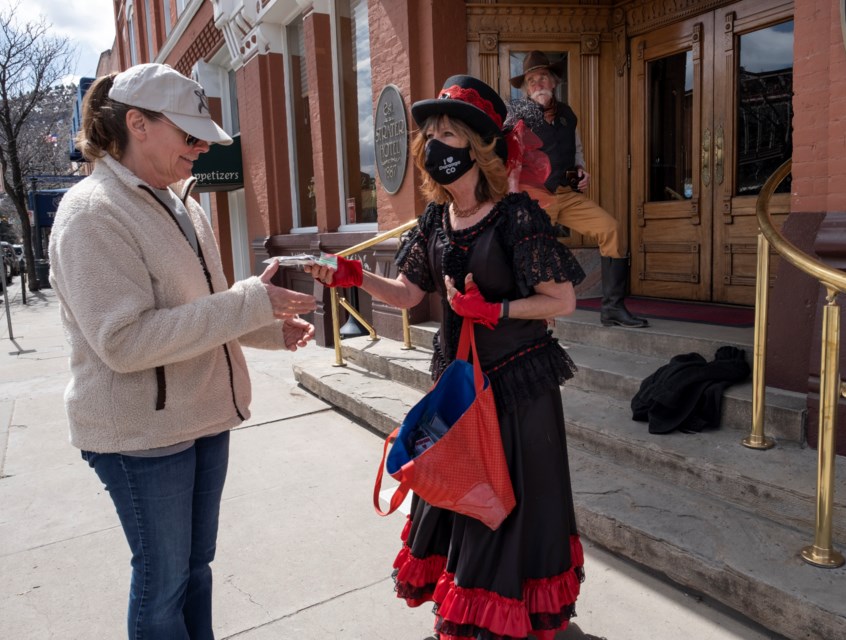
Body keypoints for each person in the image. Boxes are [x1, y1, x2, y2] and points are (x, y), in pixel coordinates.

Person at [308, 75, 586, 640]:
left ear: (477, 148)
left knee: (512, 509)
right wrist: (354, 275)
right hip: (462, 387)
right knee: (459, 495)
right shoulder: (436, 219)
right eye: (429, 133)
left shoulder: (515, 216)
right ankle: (476, 612)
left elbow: (563, 300)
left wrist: (498, 311)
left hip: (517, 388)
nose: (434, 145)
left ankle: (509, 618)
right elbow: (412, 293)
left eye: (448, 134)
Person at [48, 63, 317, 640]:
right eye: (188, 132)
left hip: (198, 416)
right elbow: (124, 342)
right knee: (164, 582)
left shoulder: (182, 203)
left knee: (194, 572)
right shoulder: (91, 213)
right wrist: (249, 303)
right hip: (142, 434)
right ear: (137, 124)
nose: (200, 146)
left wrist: (267, 324)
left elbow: (201, 308)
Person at [506, 50, 648, 328]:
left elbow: (576, 149)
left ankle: (612, 308)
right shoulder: (516, 116)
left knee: (611, 228)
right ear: (526, 87)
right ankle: (533, 316)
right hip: (533, 197)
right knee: (532, 252)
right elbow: (509, 159)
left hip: (566, 194)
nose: (537, 84)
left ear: (554, 81)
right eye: (531, 80)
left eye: (542, 77)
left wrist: (581, 171)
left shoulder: (567, 115)